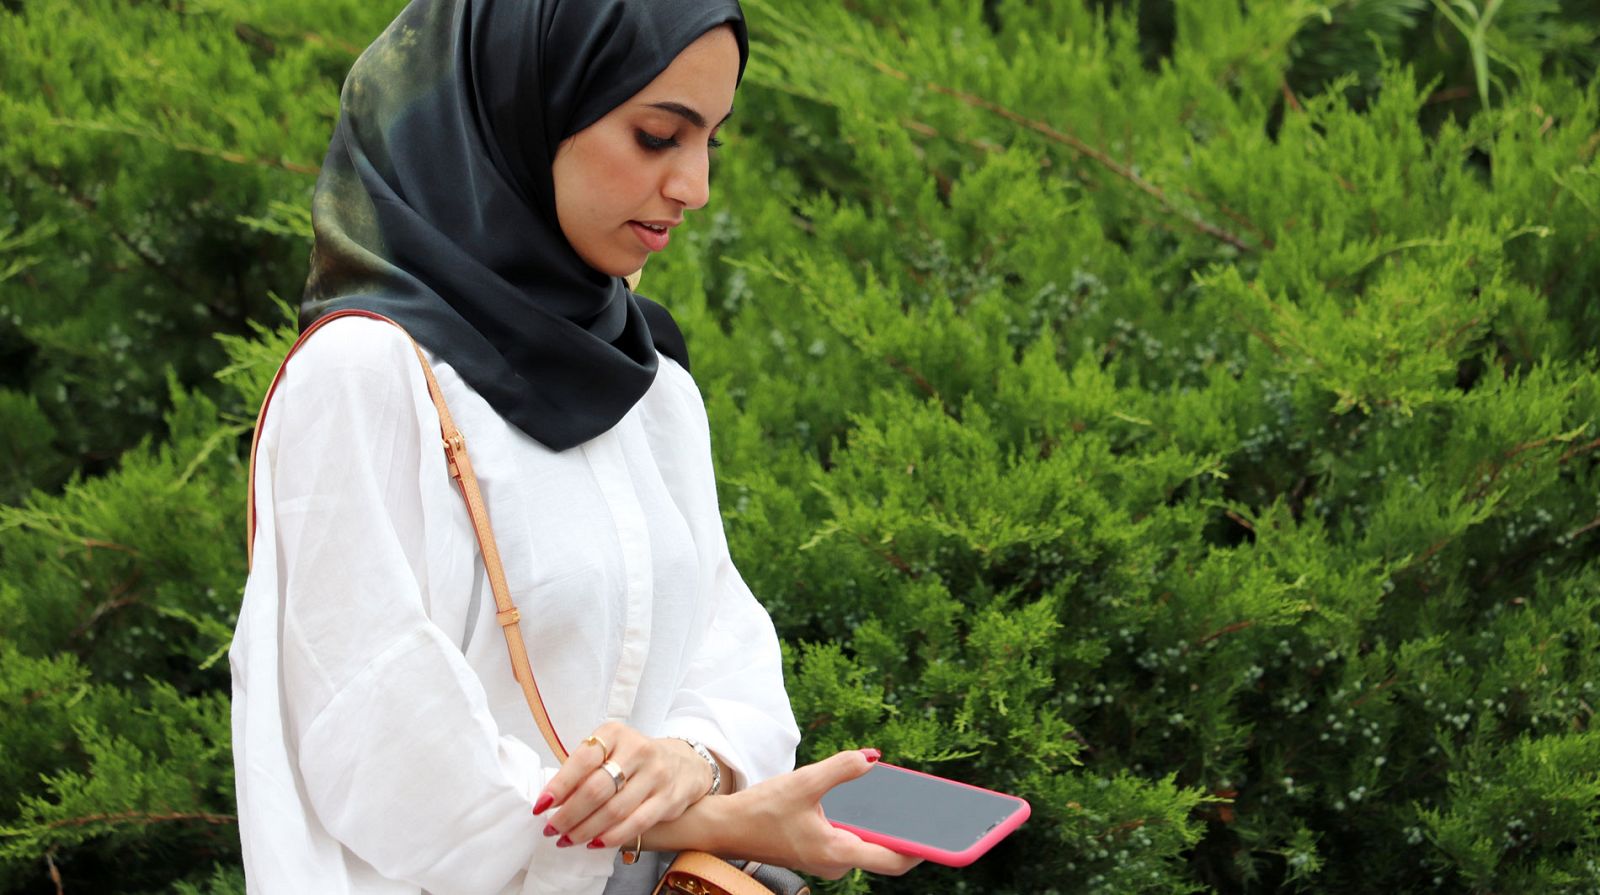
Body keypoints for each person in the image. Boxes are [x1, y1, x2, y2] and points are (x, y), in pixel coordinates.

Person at [229, 0, 919, 892]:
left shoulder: (650, 385)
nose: (694, 186)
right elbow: (378, 741)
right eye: (657, 135)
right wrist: (706, 820)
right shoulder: (367, 375)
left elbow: (731, 652)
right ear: (524, 109)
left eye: (712, 139)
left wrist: (693, 758)